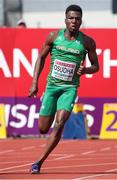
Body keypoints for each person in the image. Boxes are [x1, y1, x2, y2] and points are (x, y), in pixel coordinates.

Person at [28, 4, 99, 174]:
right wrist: (34, 82)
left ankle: (39, 162)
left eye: (77, 19)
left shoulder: (87, 42)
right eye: (71, 18)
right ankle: (46, 99)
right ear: (65, 20)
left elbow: (96, 66)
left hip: (70, 88)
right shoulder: (53, 37)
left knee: (59, 124)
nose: (74, 21)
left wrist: (87, 70)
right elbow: (41, 58)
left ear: (81, 21)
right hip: (52, 87)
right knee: (43, 128)